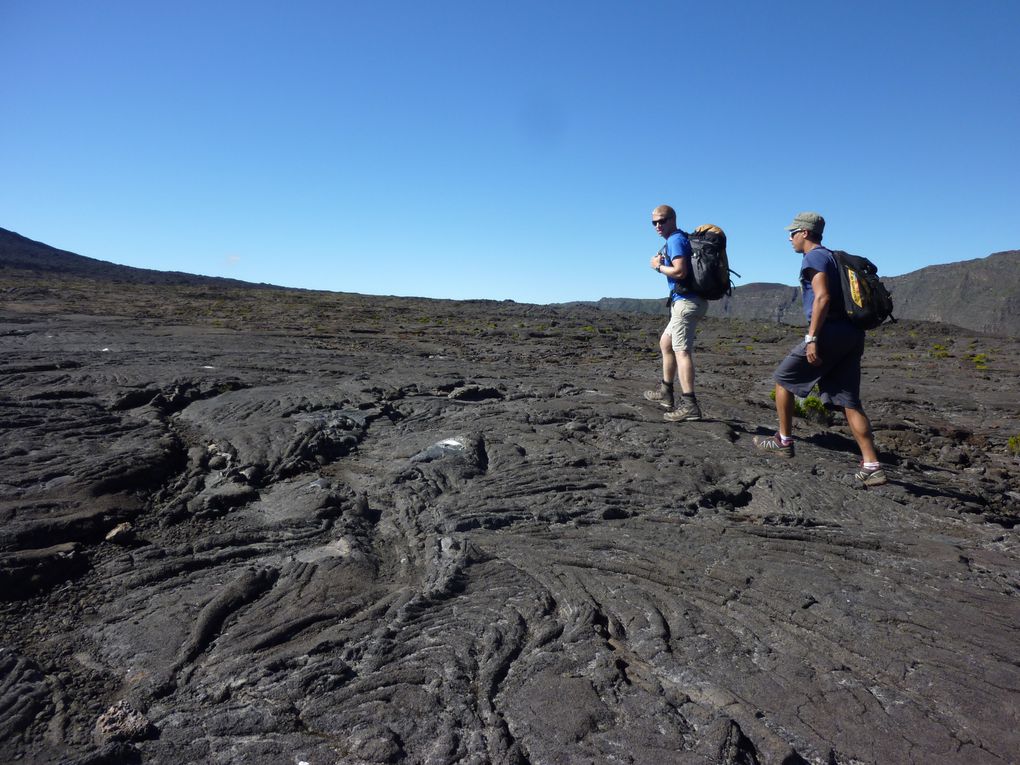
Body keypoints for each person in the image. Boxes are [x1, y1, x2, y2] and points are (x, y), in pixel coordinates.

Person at [752, 212, 888, 486]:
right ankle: (872, 465)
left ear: (805, 233)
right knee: (849, 401)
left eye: (792, 233)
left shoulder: (814, 257)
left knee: (783, 380)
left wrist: (812, 337)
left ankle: (783, 440)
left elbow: (822, 297)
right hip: (852, 334)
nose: (790, 238)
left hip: (829, 333)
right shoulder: (836, 257)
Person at [643, 205, 709, 421]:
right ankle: (666, 392)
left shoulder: (675, 240)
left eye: (662, 221)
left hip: (686, 303)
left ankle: (690, 405)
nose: (657, 226)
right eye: (654, 222)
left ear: (673, 219)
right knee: (666, 342)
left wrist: (657, 267)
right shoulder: (677, 239)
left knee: (682, 351)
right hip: (687, 302)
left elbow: (680, 271)